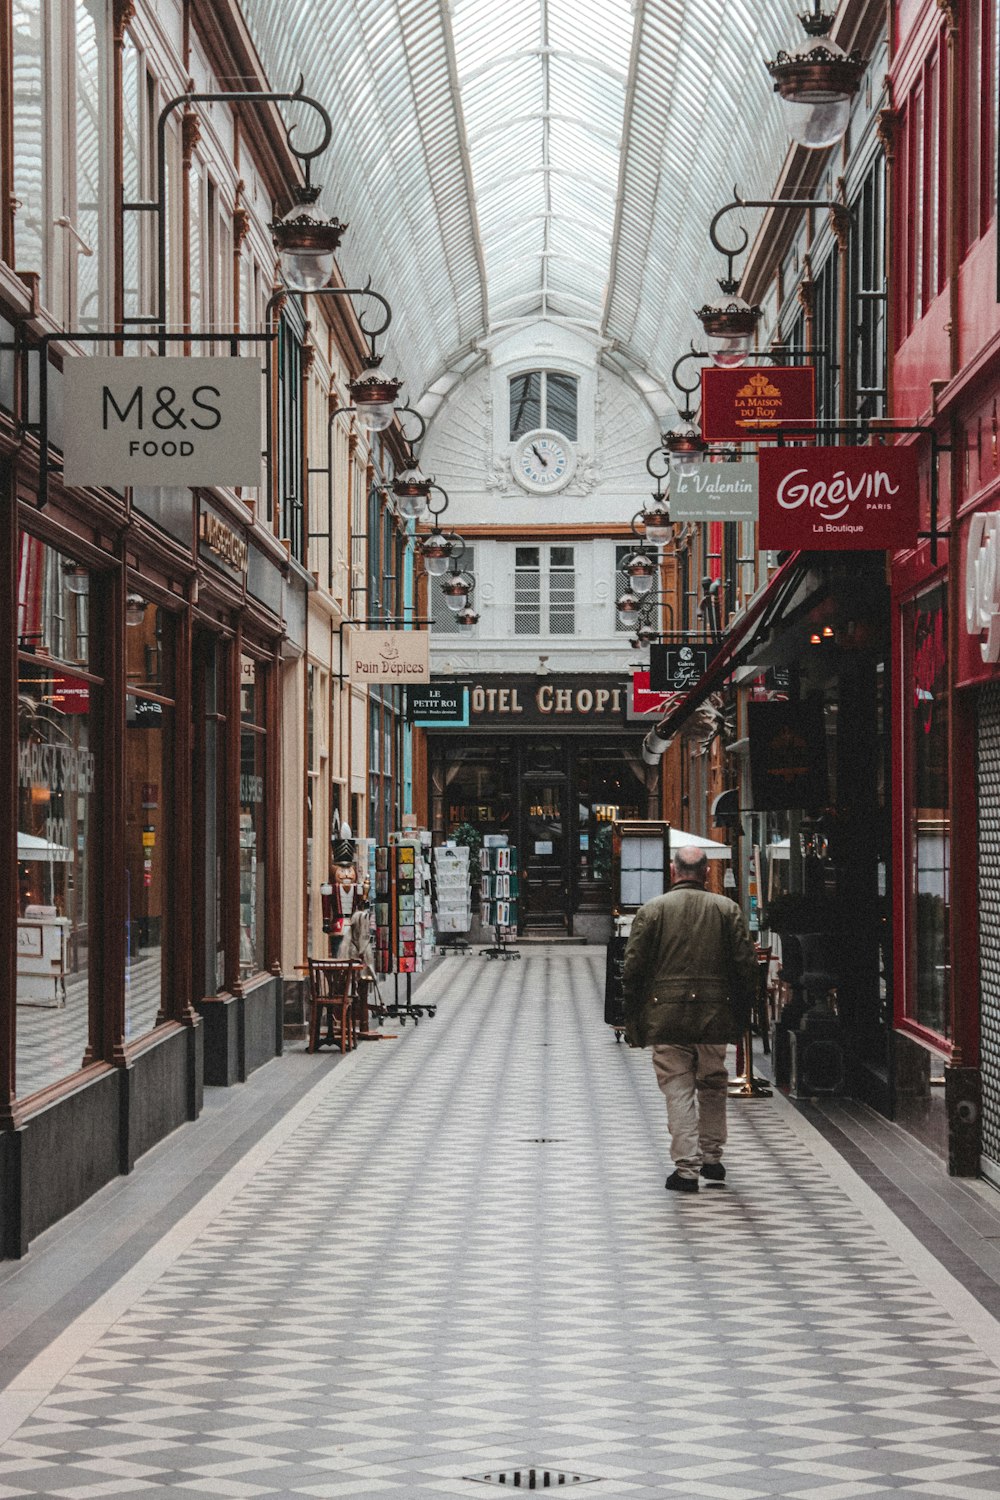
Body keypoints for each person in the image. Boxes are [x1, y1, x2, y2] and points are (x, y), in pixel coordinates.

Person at [622, 845, 758, 1194]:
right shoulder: (727, 909)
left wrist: (634, 1016)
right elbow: (745, 965)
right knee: (713, 1083)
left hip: (666, 1015)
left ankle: (686, 1169)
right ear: (707, 873)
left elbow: (634, 967)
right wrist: (743, 1013)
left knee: (678, 1088)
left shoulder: (653, 911)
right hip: (715, 1015)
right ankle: (712, 1158)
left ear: (672, 871)